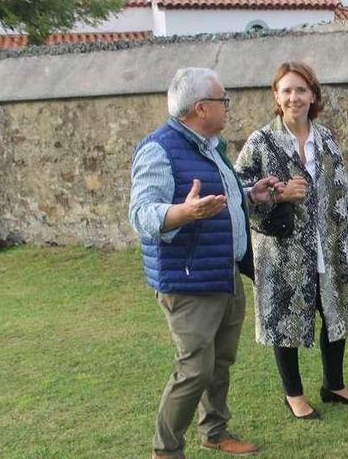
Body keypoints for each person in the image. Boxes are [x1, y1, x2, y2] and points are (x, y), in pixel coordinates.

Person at [130, 67, 276, 458]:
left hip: (223, 273)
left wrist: (250, 193)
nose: (228, 107)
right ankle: (166, 450)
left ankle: (214, 432)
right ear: (201, 108)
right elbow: (142, 215)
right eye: (222, 100)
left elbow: (218, 199)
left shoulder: (210, 145)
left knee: (220, 363)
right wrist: (183, 213)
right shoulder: (158, 149)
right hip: (189, 280)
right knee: (194, 368)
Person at [234, 61, 348, 420]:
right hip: (283, 249)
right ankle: (293, 394)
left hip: (329, 242)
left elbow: (341, 189)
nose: (294, 97)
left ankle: (334, 384)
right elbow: (237, 191)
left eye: (301, 90)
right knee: (286, 317)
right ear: (276, 97)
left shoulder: (325, 138)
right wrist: (279, 196)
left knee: (336, 309)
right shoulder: (261, 142)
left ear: (313, 95)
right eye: (287, 91)